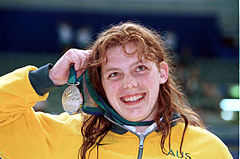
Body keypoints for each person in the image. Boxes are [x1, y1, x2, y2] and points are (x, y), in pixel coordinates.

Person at [0, 22, 232, 159]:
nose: (128, 83)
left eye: (140, 68)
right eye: (114, 74)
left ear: (162, 72)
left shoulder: (207, 150)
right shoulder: (64, 138)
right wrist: (46, 78)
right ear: (100, 82)